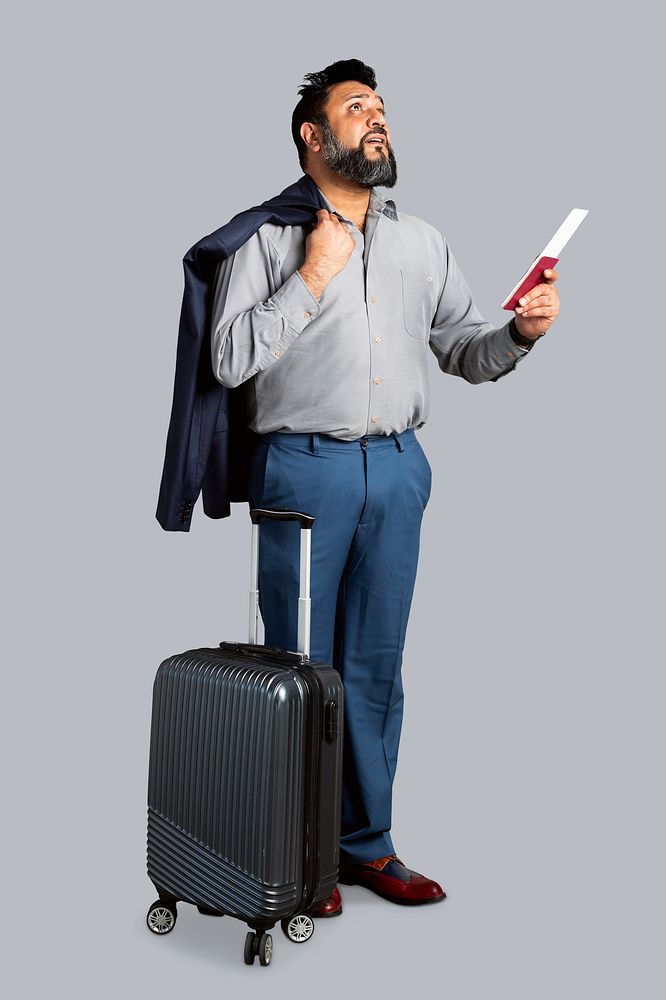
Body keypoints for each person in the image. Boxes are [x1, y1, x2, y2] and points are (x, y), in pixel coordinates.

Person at [209, 59, 560, 915]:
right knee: (301, 670)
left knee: (374, 668)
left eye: (382, 108)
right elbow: (226, 359)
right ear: (313, 134)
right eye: (357, 107)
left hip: (398, 472)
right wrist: (315, 274)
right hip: (303, 471)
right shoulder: (264, 241)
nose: (378, 120)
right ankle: (298, 856)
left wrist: (519, 332)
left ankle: (366, 848)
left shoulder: (421, 242)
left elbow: (466, 352)